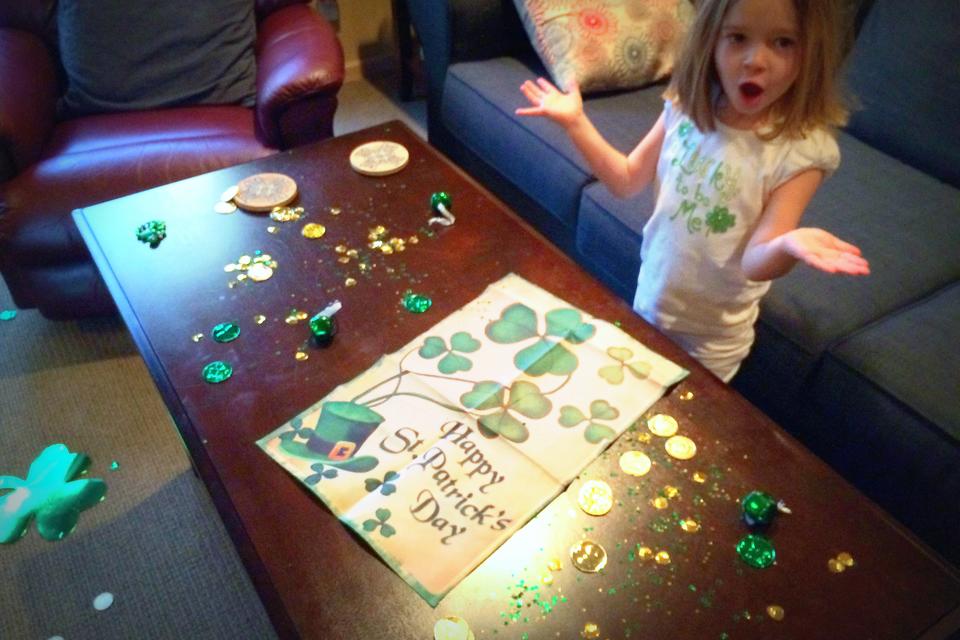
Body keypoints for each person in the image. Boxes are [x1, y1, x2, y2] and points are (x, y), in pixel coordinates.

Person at [516, 0, 870, 382]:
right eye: (738, 38)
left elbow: (754, 263)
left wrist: (789, 246)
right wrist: (576, 123)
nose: (755, 60)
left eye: (783, 42)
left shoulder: (799, 152)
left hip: (712, 344)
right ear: (710, 41)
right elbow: (625, 178)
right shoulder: (685, 106)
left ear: (811, 53)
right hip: (651, 301)